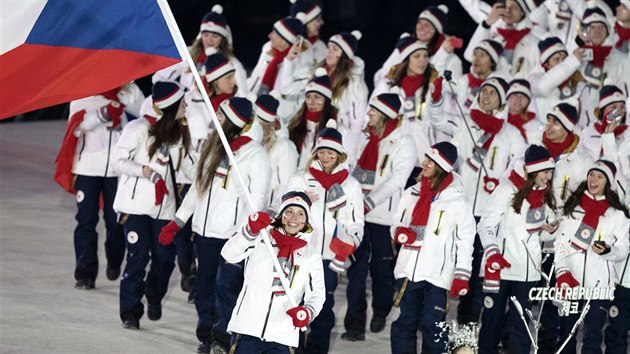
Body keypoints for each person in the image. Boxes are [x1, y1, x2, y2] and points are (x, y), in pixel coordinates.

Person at [158, 97, 270, 353]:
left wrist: (245, 230)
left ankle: (223, 337)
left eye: (221, 115)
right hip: (205, 233)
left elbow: (258, 197)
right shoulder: (211, 146)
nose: (215, 119)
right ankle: (206, 333)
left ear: (234, 121)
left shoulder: (255, 154)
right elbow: (198, 187)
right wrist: (178, 220)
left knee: (227, 287)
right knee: (204, 284)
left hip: (233, 236)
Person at [112, 81, 196, 329]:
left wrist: (210, 169)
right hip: (135, 207)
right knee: (138, 257)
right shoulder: (138, 128)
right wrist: (143, 171)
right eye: (182, 103)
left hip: (164, 208)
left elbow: (189, 168)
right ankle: (130, 312)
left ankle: (154, 294)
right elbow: (118, 161)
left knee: (164, 259)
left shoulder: (179, 133)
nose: (186, 106)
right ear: (170, 106)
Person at [54, 83, 144, 289]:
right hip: (87, 168)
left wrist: (122, 97)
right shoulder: (82, 92)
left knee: (115, 221)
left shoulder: (127, 90)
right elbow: (75, 127)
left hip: (116, 170)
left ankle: (114, 259)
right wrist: (101, 115)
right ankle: (85, 273)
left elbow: (144, 113)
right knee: (86, 220)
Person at [342, 93, 416, 341]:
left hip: (384, 217)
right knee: (356, 270)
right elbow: (349, 168)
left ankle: (381, 310)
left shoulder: (403, 141)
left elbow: (398, 179)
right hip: (358, 215)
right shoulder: (363, 137)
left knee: (381, 269)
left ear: (385, 115)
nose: (369, 115)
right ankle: (354, 324)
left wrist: (370, 201)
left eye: (373, 111)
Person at [389, 142, 476, 354]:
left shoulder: (457, 201)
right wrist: (400, 232)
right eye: (425, 158)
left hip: (438, 275)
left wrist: (462, 274)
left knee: (433, 326)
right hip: (409, 271)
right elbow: (396, 223)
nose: (423, 163)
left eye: (430, 160)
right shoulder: (412, 193)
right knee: (405, 323)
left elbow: (466, 239)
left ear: (442, 166)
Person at [287, 120, 364, 353]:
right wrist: (302, 201)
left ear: (339, 154)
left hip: (330, 258)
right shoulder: (300, 179)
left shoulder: (351, 185)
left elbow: (357, 222)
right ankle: (293, 349)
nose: (326, 156)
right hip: (301, 253)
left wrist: (349, 243)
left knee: (323, 305)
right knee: (296, 303)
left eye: (331, 151)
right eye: (321, 151)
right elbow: (286, 213)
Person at [477, 145, 559, 354]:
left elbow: (540, 233)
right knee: (492, 321)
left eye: (551, 172)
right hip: (501, 267)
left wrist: (550, 230)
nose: (549, 177)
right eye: (546, 172)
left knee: (521, 324)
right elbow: (485, 225)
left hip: (528, 271)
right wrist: (493, 251)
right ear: (532, 170)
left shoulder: (545, 193)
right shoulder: (506, 189)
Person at [221, 191, 326, 353]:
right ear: (281, 215)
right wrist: (249, 231)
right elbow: (229, 254)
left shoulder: (310, 255)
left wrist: (307, 312)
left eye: (300, 214)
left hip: (283, 336)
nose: (294, 218)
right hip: (247, 329)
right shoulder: (261, 238)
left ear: (306, 220)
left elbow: (317, 294)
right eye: (289, 212)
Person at [553, 159, 630, 354]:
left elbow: (622, 249)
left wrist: (608, 251)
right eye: (591, 175)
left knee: (593, 336)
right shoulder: (572, 207)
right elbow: (560, 244)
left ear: (608, 182)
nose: (593, 180)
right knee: (566, 334)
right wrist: (562, 272)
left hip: (600, 286)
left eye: (600, 176)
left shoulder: (617, 215)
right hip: (571, 281)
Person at [374, 5, 463, 88]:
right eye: (419, 23)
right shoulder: (405, 47)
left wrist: (442, 54)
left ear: (436, 31)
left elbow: (450, 91)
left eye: (427, 25)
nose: (421, 27)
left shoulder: (452, 60)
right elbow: (380, 78)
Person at [186, 5, 248, 96]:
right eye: (206, 35)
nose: (209, 40)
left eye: (215, 36)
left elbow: (243, 92)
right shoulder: (188, 53)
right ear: (200, 36)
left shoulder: (232, 63)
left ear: (223, 39)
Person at [254, 93, 299, 214]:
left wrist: (273, 210)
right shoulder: (254, 144)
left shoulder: (285, 147)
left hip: (267, 213)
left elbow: (287, 184)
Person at [287, 68, 337, 169]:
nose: (311, 101)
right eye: (308, 96)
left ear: (326, 101)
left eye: (317, 97)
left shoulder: (335, 130)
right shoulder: (294, 124)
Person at [505, 79, 544, 144]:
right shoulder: (497, 122)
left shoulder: (536, 126)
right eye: (515, 94)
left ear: (528, 102)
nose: (519, 99)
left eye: (524, 96)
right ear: (507, 98)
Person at [289, 0, 326, 64]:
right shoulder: (287, 45)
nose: (322, 22)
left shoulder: (321, 46)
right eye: (317, 19)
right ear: (304, 21)